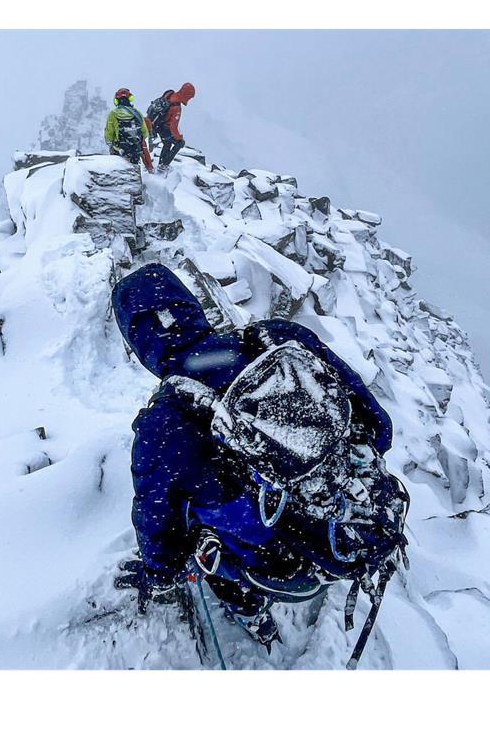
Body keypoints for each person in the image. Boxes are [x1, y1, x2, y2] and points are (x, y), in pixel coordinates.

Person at [111, 263, 407, 654]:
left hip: (287, 571)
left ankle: (250, 609)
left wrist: (156, 575)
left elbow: (158, 531)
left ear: (139, 345)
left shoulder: (163, 423)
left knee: (195, 523)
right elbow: (378, 427)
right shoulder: (276, 339)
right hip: (361, 518)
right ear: (192, 307)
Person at [146, 83, 195, 173]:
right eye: (190, 97)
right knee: (179, 143)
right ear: (187, 95)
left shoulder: (169, 94)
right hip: (164, 128)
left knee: (167, 143)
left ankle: (162, 164)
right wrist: (180, 138)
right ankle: (163, 165)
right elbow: (173, 127)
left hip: (156, 125)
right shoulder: (176, 107)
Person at [104, 88, 153, 172]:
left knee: (118, 171)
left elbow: (109, 134)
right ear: (130, 99)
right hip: (135, 149)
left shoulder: (113, 114)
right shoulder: (137, 113)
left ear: (116, 100)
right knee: (134, 169)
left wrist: (111, 144)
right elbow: (144, 133)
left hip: (119, 149)